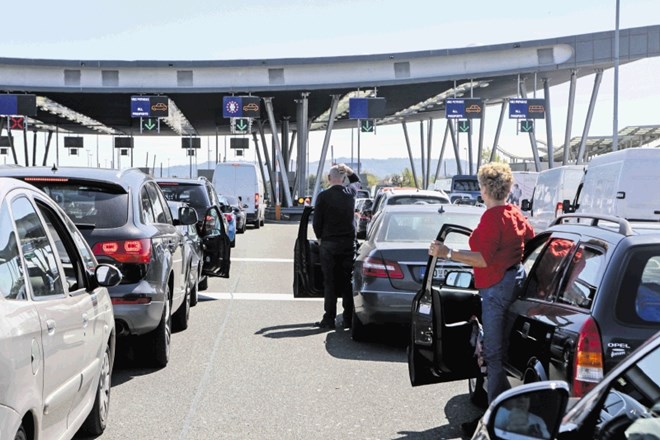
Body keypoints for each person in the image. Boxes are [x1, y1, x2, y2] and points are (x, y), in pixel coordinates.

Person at [428, 162, 535, 434]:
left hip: (496, 287)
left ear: (485, 188)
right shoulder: (514, 213)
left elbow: (482, 259)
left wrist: (448, 253)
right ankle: (501, 412)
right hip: (515, 280)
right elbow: (531, 241)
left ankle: (495, 420)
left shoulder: (492, 219)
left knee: (494, 354)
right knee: (502, 349)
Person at [313, 163, 360, 330]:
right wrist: (348, 170)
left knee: (330, 283)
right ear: (343, 179)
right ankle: (348, 318)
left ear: (328, 179)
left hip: (329, 244)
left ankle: (329, 318)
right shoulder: (351, 194)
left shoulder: (323, 196)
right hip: (348, 245)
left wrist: (319, 237)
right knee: (347, 282)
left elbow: (317, 220)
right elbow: (356, 181)